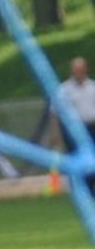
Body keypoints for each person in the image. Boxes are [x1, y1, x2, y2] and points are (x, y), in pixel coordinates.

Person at [47, 56, 95, 195]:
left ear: (86, 69)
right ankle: (82, 189)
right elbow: (55, 112)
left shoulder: (92, 87)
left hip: (92, 128)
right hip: (75, 130)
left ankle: (91, 187)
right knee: (79, 159)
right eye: (76, 69)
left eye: (81, 69)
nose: (78, 72)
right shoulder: (64, 90)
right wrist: (55, 134)